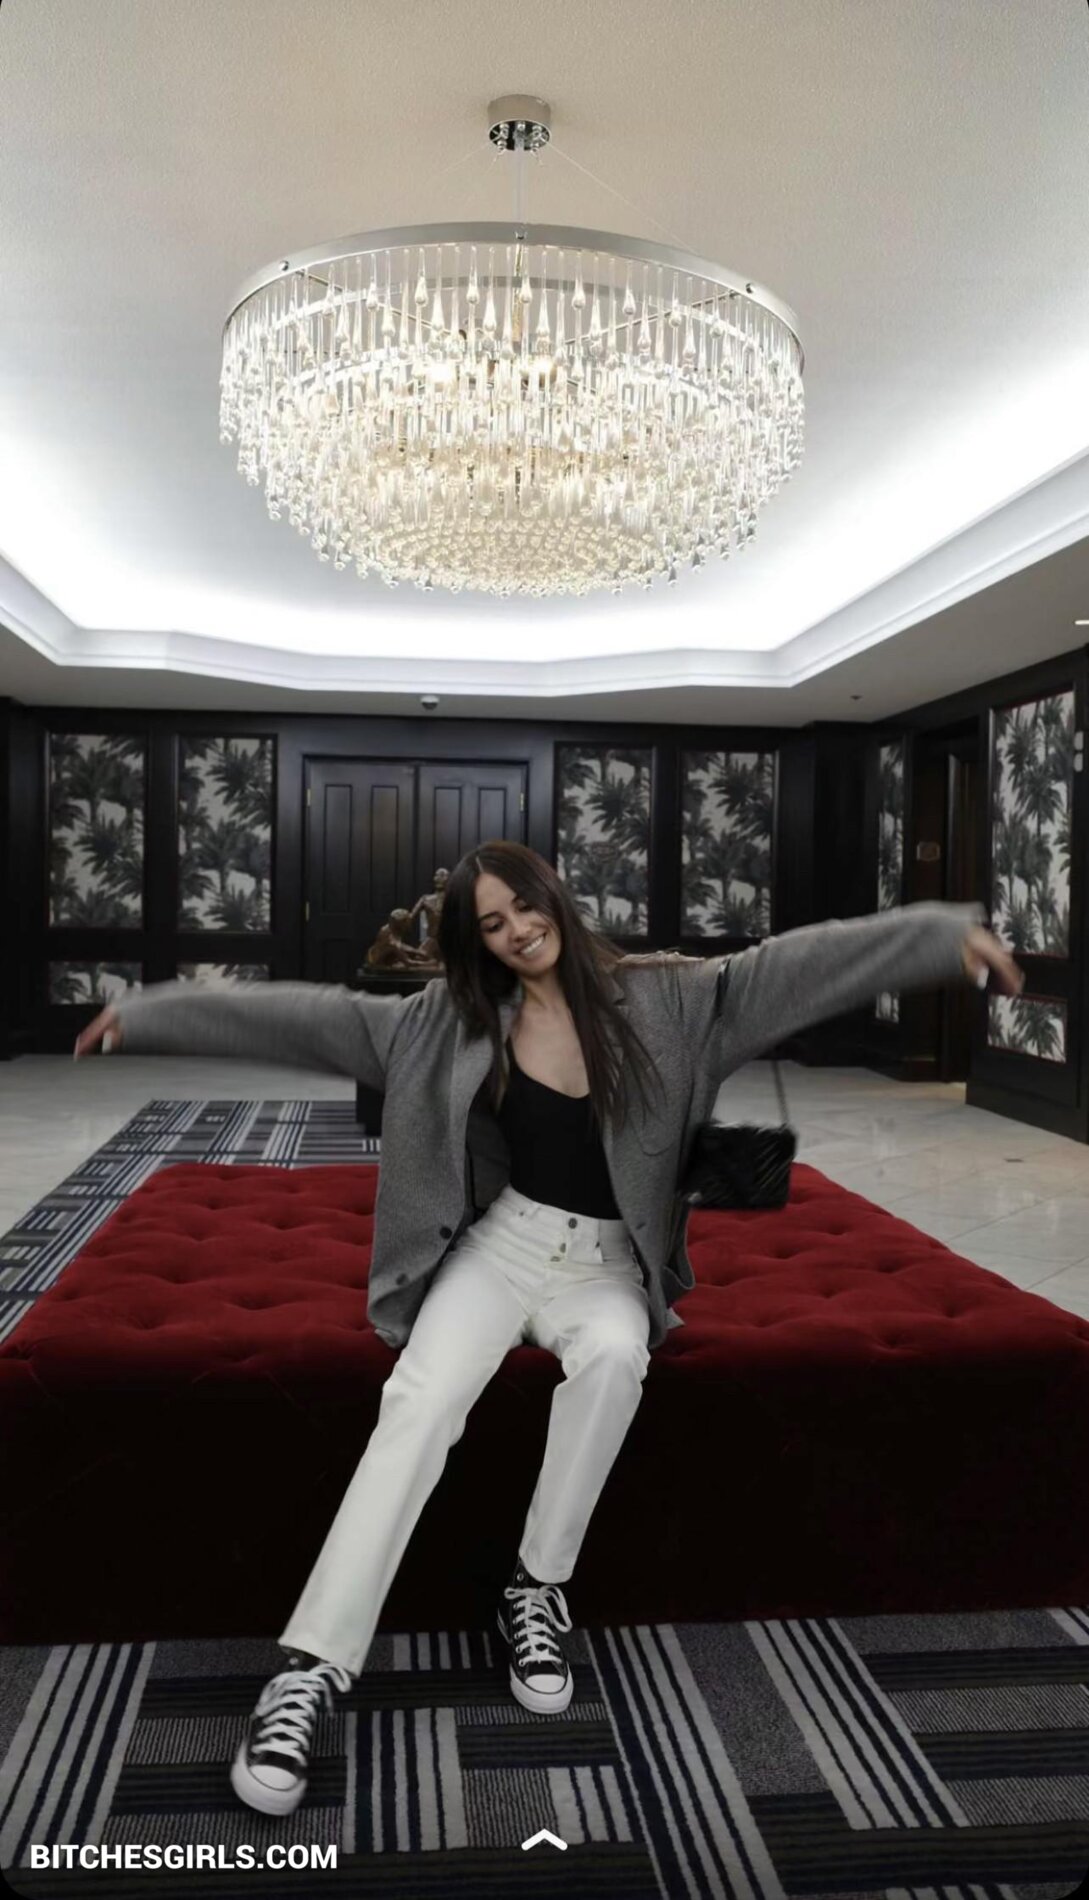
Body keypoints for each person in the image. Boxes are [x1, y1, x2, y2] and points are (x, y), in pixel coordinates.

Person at [73, 841, 1021, 1819]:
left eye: (524, 906)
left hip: (606, 1266)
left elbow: (797, 963)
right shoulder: (449, 1021)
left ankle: (536, 1587)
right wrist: (151, 1012)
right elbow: (314, 1017)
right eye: (492, 923)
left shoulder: (670, 998)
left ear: (552, 897)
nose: (518, 930)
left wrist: (936, 935)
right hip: (503, 1246)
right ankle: (309, 1670)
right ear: (475, 941)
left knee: (614, 1354)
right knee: (420, 1399)